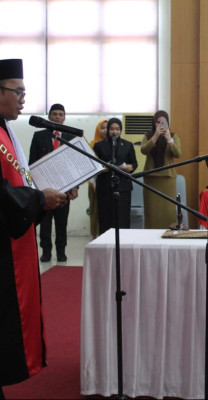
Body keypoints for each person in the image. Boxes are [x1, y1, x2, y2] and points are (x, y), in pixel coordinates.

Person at [0, 58, 67, 397]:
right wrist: (39, 200)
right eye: (18, 91)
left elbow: (17, 181)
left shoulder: (5, 131)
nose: (23, 98)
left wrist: (44, 197)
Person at [29, 103, 79, 262]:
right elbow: (32, 162)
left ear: (64, 118)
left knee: (61, 222)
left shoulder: (71, 138)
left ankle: (61, 251)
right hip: (44, 188)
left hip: (65, 188)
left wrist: (75, 187)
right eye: (54, 114)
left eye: (60, 114)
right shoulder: (39, 136)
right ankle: (46, 251)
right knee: (44, 222)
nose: (57, 116)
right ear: (49, 116)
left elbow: (75, 166)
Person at [93, 117, 138, 235]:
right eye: (112, 129)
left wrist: (129, 167)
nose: (115, 132)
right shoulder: (99, 146)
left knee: (122, 218)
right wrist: (103, 168)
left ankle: (123, 245)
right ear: (108, 130)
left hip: (123, 187)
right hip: (105, 187)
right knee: (105, 218)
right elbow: (93, 164)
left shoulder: (128, 145)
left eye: (117, 129)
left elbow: (134, 163)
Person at [140, 110, 182, 228]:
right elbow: (144, 150)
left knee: (168, 212)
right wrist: (155, 136)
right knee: (151, 212)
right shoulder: (148, 135)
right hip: (151, 179)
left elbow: (178, 153)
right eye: (158, 122)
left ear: (167, 123)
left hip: (167, 180)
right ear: (154, 123)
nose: (160, 125)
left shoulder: (174, 136)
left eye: (163, 122)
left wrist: (169, 140)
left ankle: (168, 236)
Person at [87, 119, 107, 239]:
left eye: (107, 128)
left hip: (108, 182)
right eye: (102, 128)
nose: (104, 130)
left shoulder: (114, 145)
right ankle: (94, 235)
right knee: (95, 210)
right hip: (95, 182)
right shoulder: (91, 144)